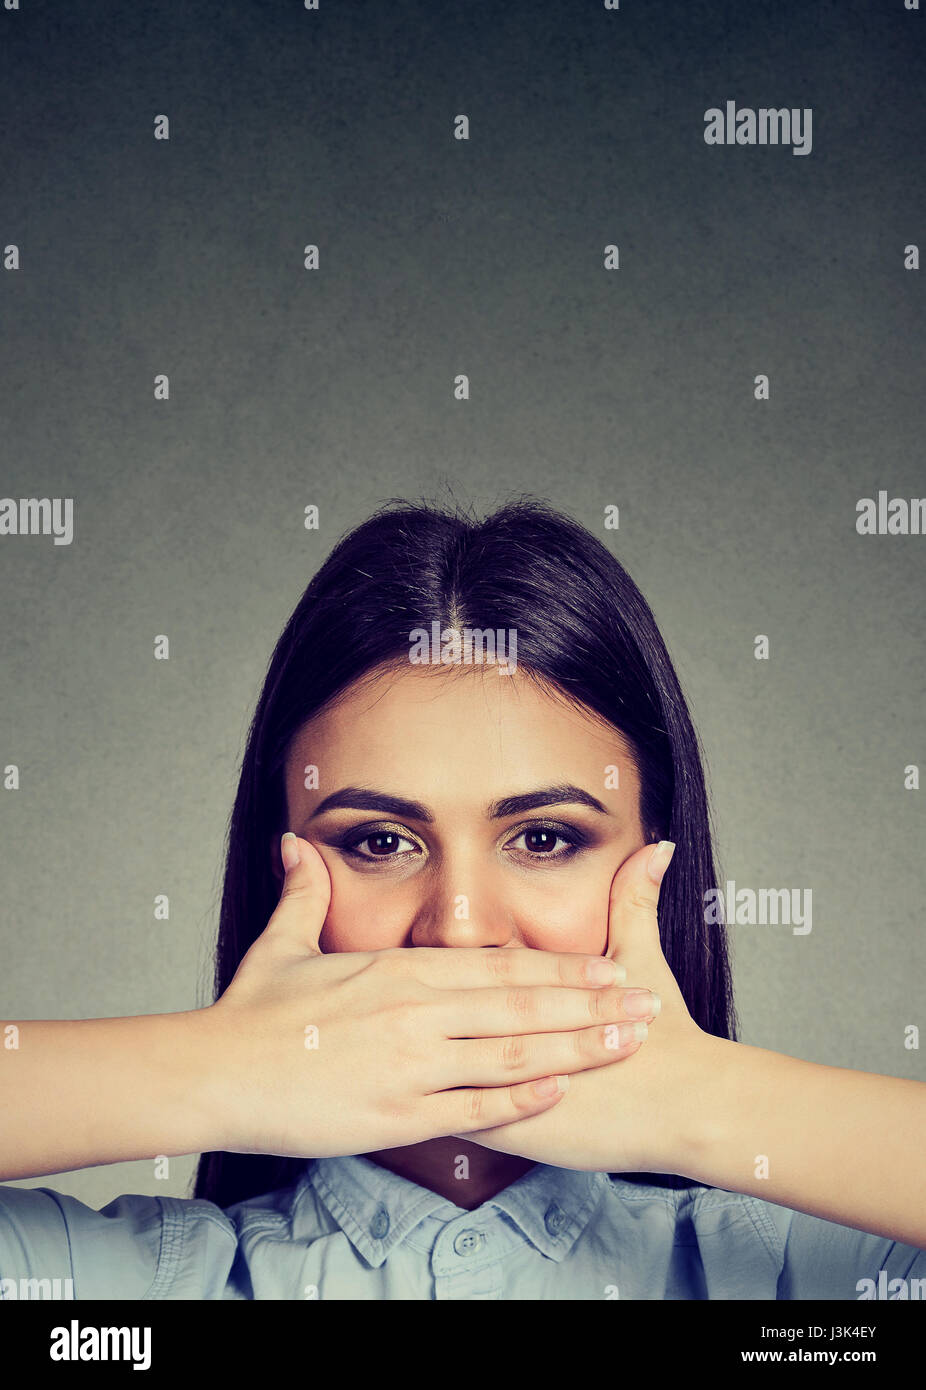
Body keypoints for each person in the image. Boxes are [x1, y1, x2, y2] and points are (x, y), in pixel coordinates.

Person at [2, 498, 924, 1300]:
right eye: (379, 842)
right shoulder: (124, 1293)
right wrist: (215, 1071)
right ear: (279, 873)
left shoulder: (802, 1288)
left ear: (654, 864)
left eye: (545, 838)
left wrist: (706, 1105)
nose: (459, 928)